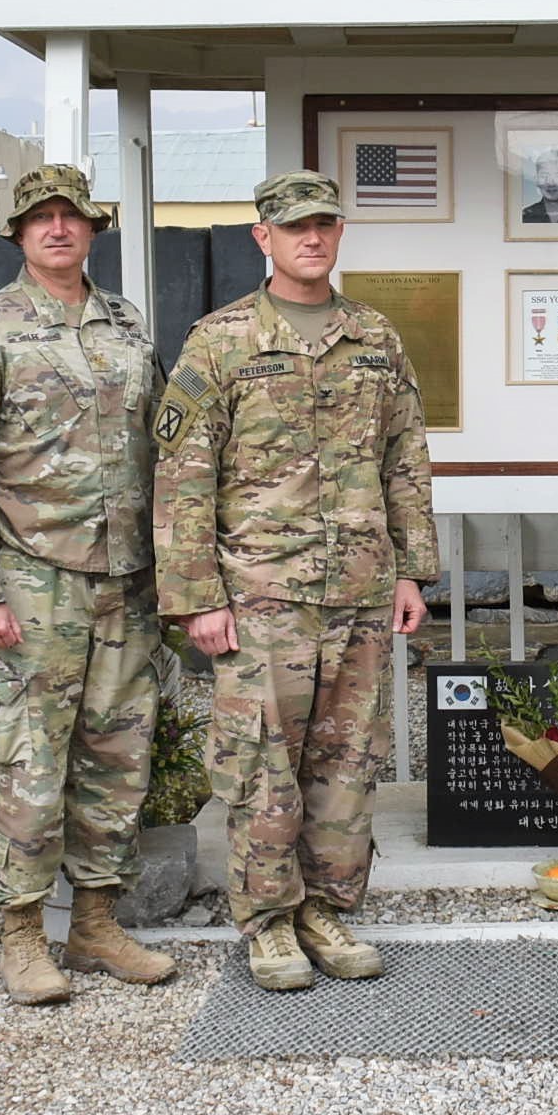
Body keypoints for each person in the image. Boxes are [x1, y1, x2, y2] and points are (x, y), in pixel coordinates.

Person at [153, 170, 438, 992]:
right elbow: (181, 478)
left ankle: (326, 906)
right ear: (263, 238)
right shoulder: (221, 340)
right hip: (260, 595)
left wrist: (413, 570)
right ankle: (269, 919)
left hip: (357, 590)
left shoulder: (375, 338)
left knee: (347, 760)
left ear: (339, 233)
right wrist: (197, 597)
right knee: (260, 761)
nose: (312, 238)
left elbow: (405, 458)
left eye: (324, 224)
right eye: (295, 226)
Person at [0, 163, 175, 1004]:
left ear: (94, 229)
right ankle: (23, 932)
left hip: (126, 580)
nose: (59, 228)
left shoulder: (129, 327)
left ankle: (97, 923)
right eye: (42, 218)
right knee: (27, 762)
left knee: (118, 753)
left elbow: (162, 451)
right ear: (20, 234)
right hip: (34, 581)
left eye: (73, 216)